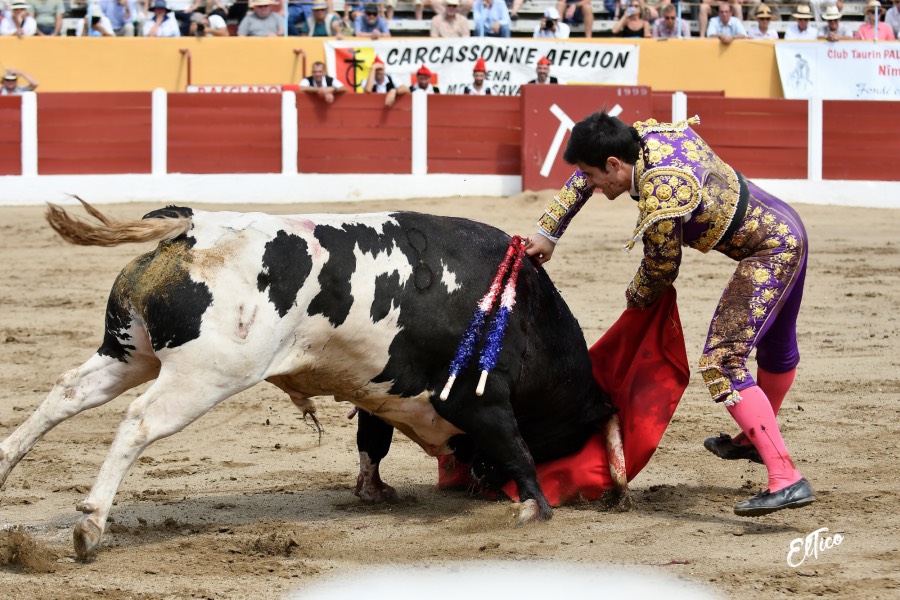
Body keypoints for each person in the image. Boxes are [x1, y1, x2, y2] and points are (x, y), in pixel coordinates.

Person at [524, 111, 816, 517]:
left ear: (614, 164)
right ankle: (752, 440)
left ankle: (786, 478)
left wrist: (636, 298)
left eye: (595, 175)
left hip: (770, 254)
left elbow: (662, 266)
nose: (591, 184)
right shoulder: (641, 136)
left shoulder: (664, 190)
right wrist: (549, 231)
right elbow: (584, 173)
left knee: (723, 362)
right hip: (789, 228)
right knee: (777, 346)